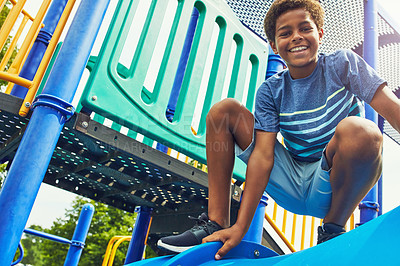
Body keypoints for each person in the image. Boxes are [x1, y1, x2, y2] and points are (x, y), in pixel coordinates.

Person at [158, 0, 400, 260]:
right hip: (292, 181)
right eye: (285, 33)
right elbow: (262, 156)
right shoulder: (271, 91)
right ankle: (217, 222)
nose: (296, 37)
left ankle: (332, 228)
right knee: (223, 112)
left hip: (334, 184)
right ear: (274, 45)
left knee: (364, 131)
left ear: (319, 33)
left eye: (305, 29)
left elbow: (391, 107)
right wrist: (241, 226)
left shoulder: (342, 64)